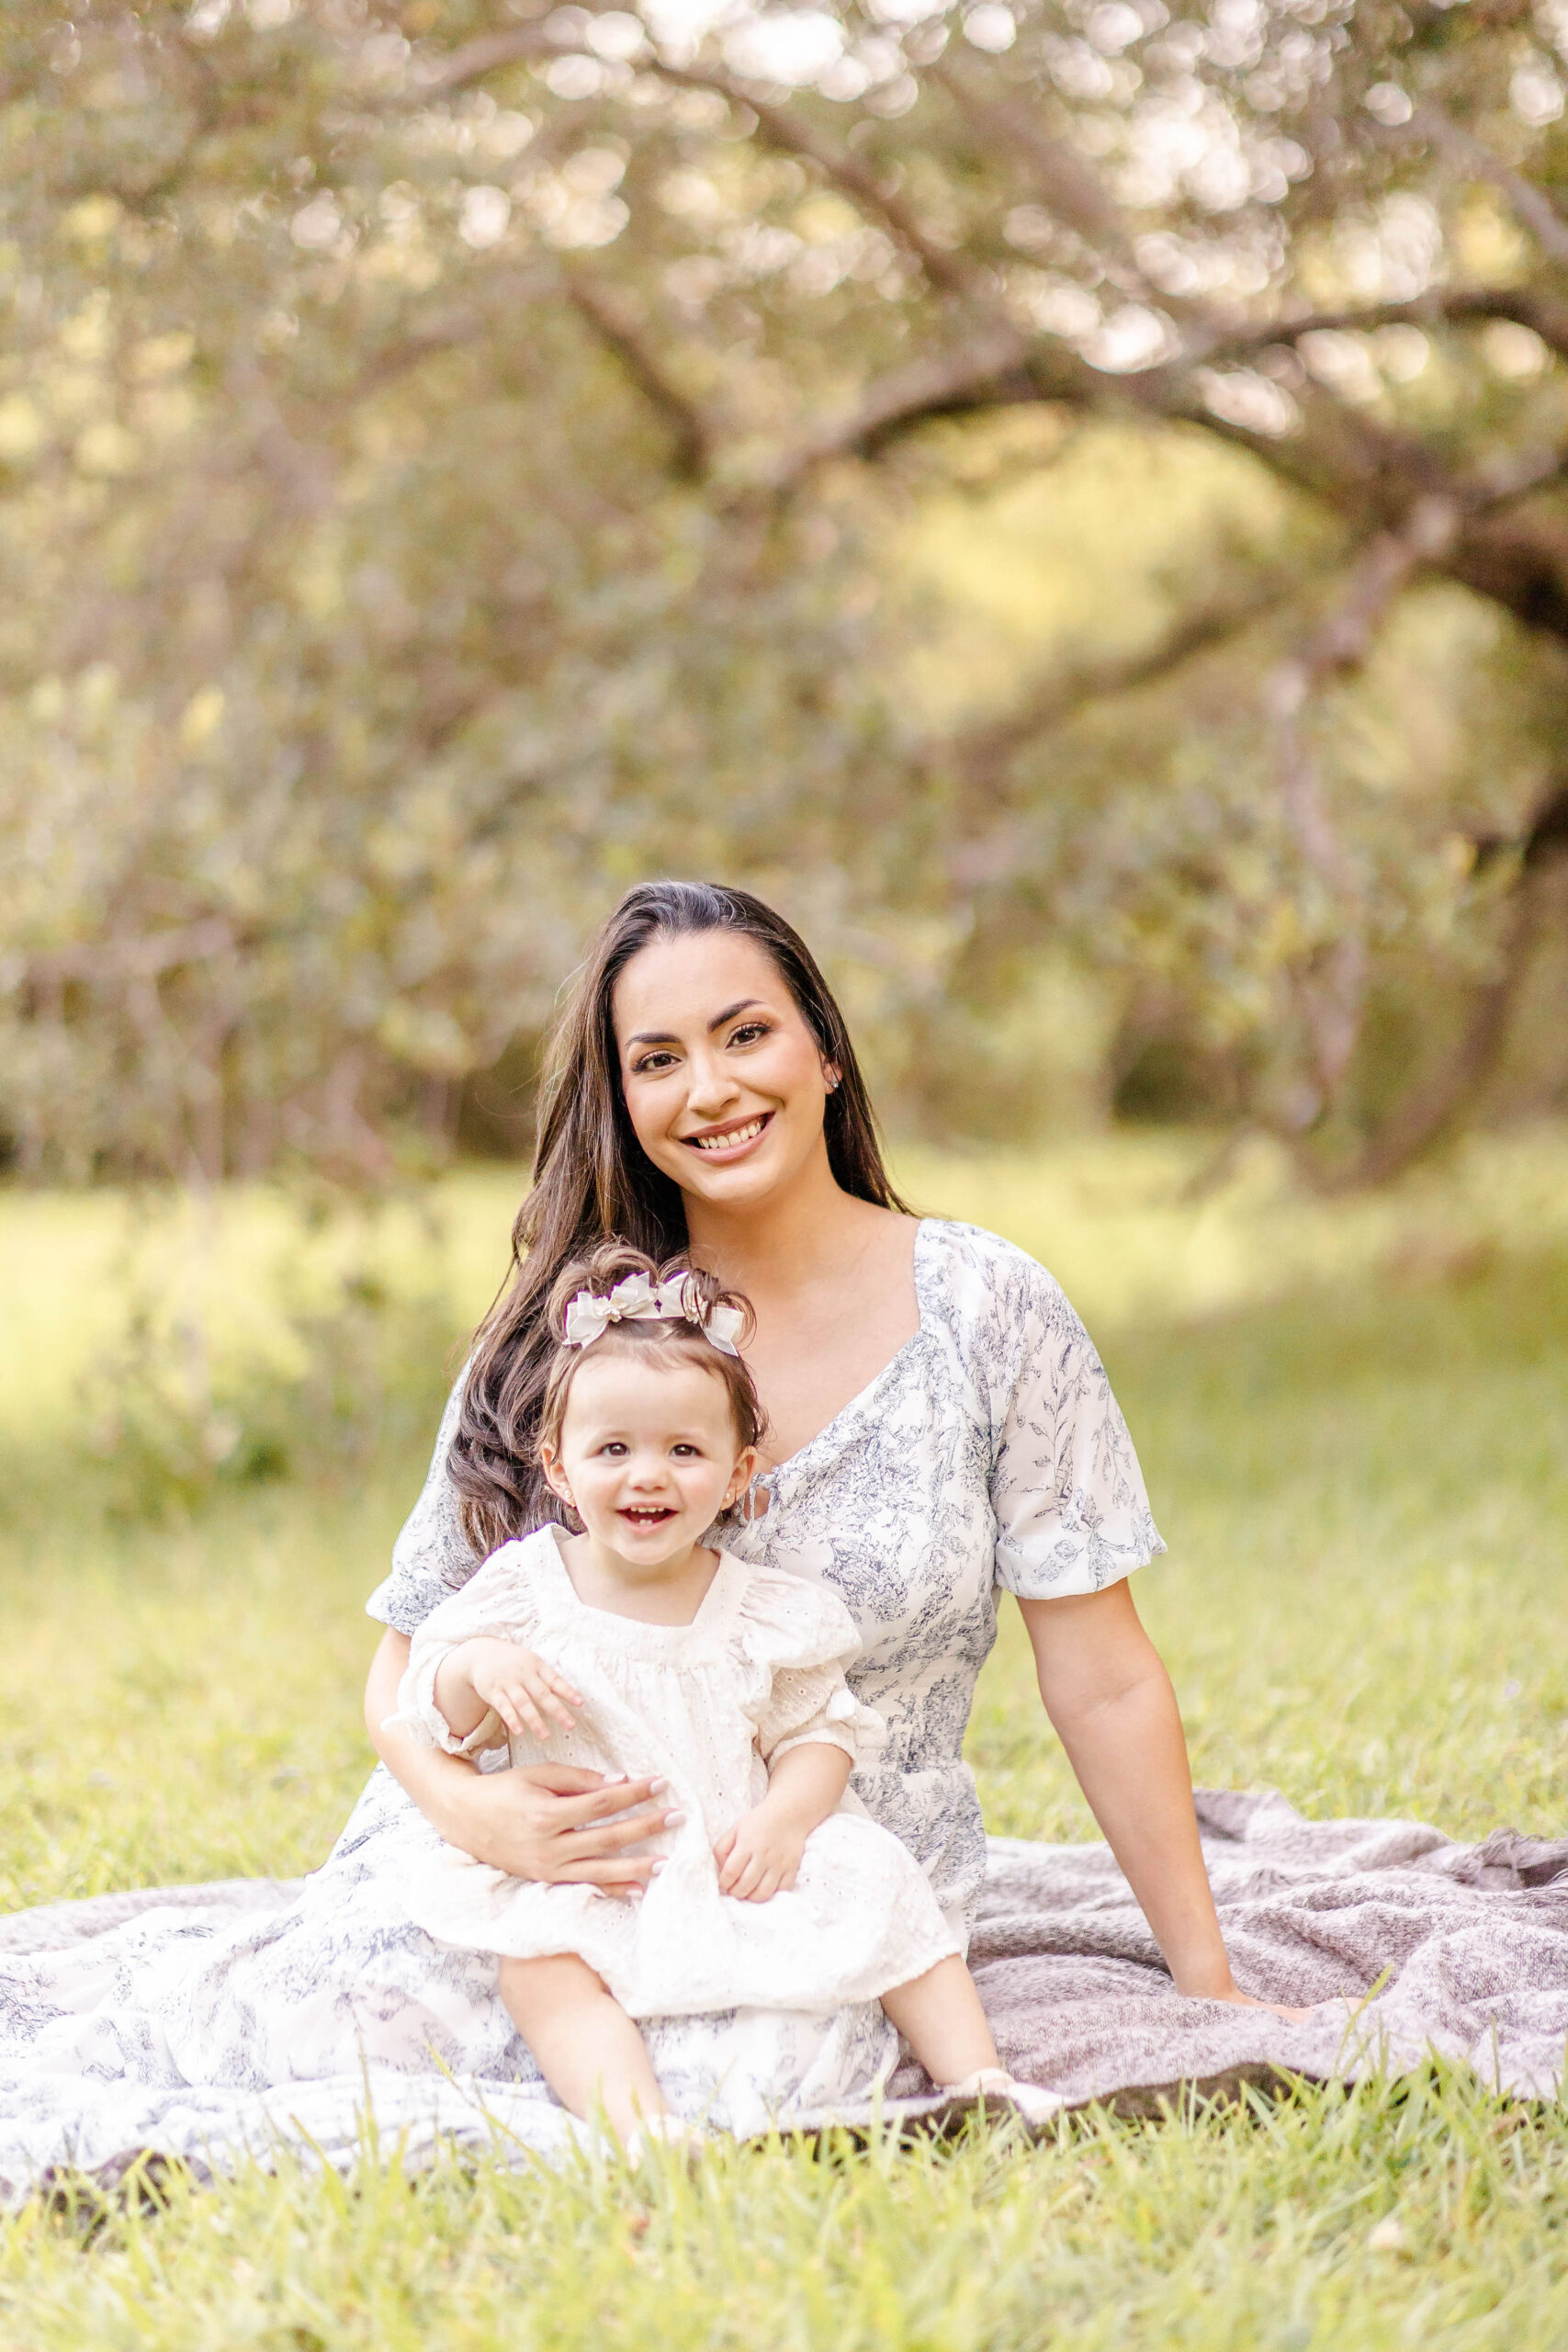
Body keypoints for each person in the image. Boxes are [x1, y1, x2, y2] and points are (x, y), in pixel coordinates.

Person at [389, 1243, 1057, 2146]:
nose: (648, 1474)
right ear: (557, 1466)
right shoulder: (523, 1590)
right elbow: (429, 1707)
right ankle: (640, 2128)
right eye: (613, 1448)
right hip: (600, 1869)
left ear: (740, 1474)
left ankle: (982, 2081)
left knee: (884, 1880)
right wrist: (477, 1669)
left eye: (685, 1449)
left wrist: (787, 1817)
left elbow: (821, 1730)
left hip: (738, 1850)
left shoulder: (760, 1610)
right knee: (540, 1968)